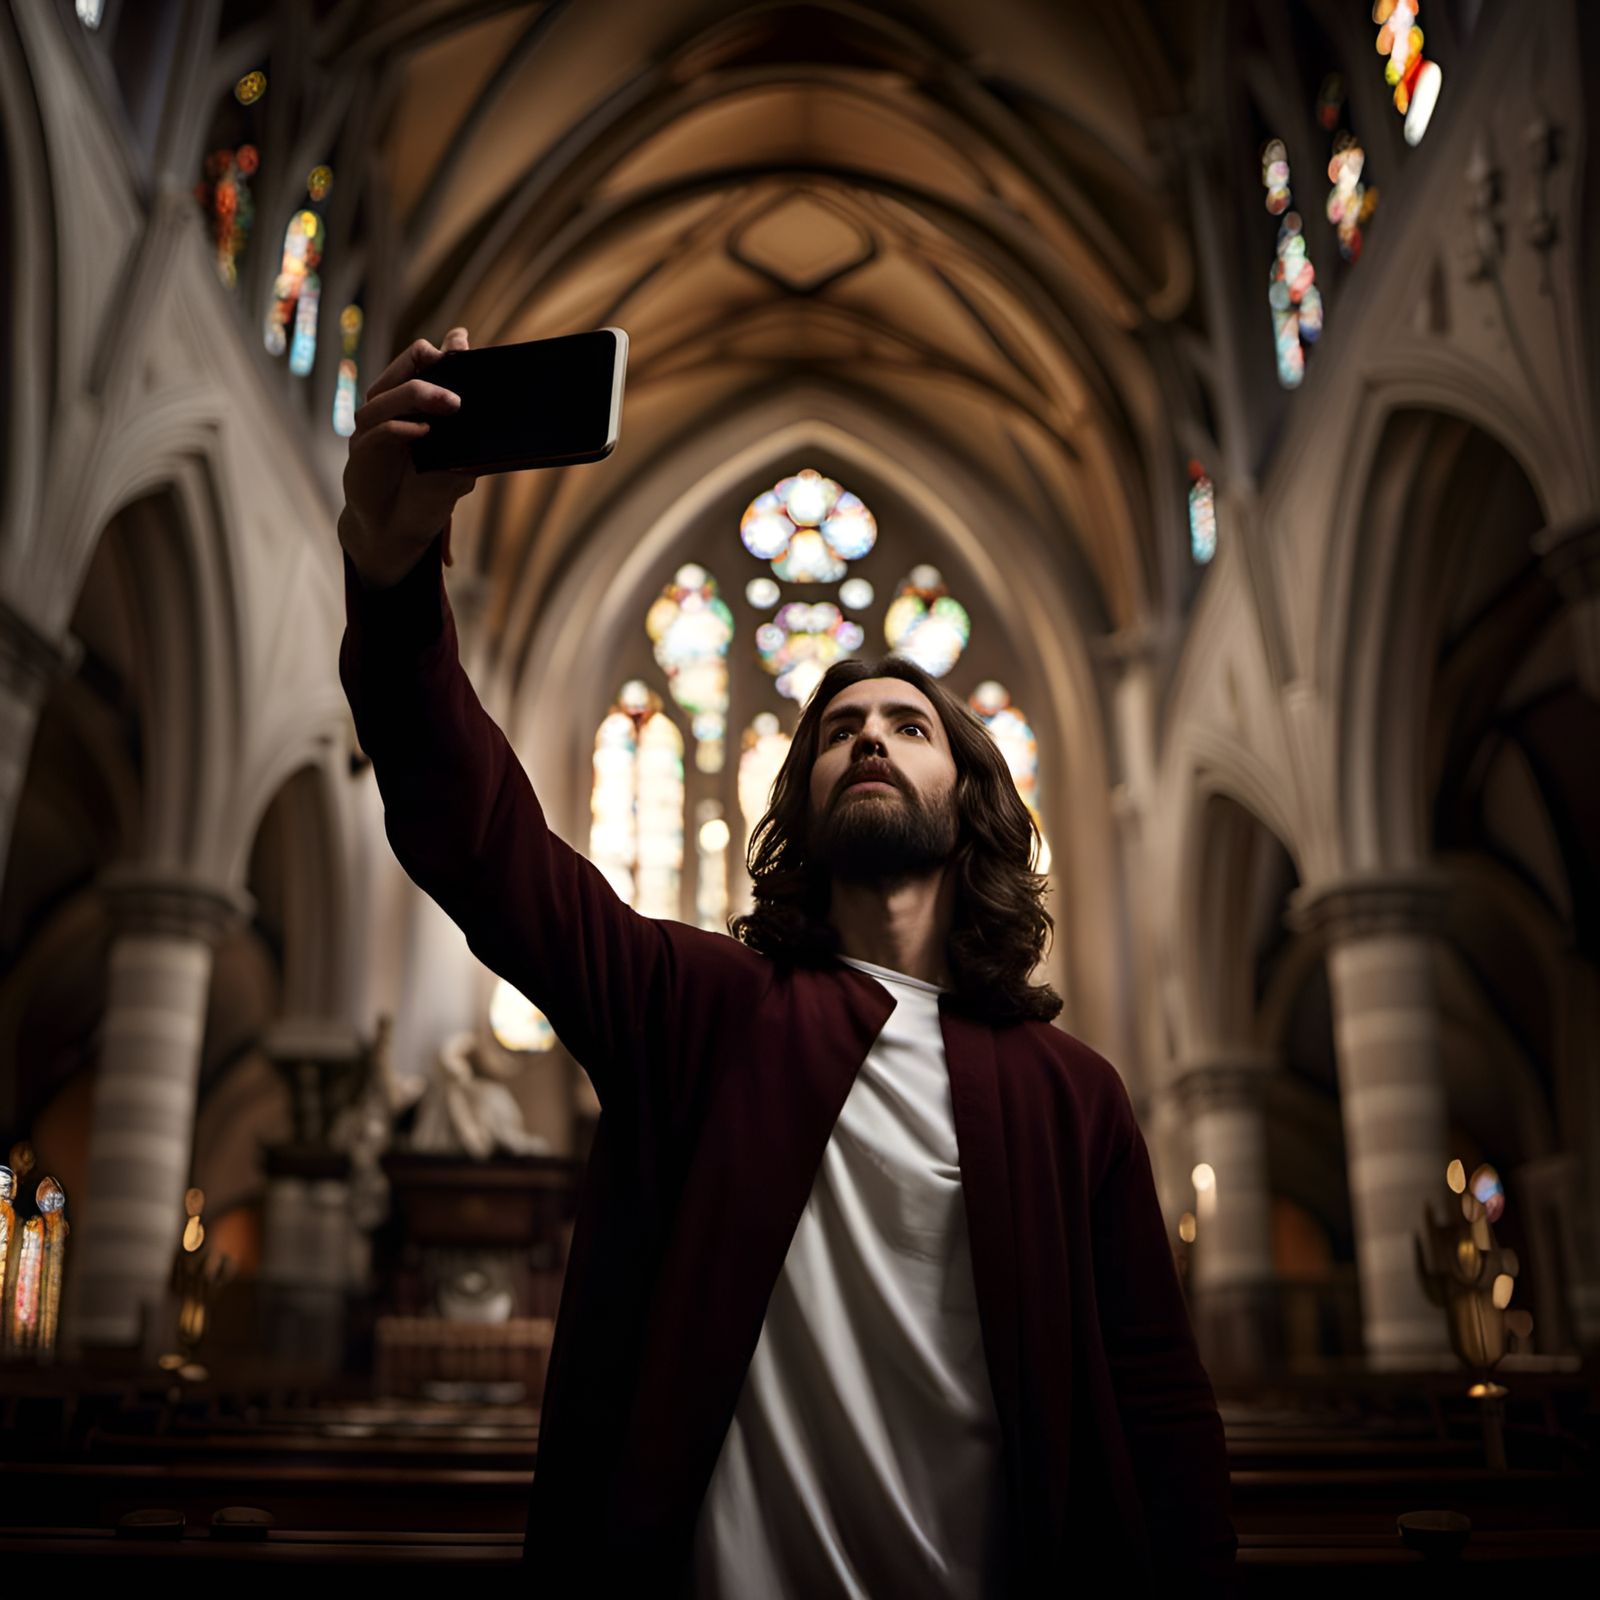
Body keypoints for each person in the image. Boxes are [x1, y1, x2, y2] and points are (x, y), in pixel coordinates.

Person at [337, 328, 1237, 1596]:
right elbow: (482, 840)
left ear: (971, 796)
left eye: (908, 726)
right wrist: (390, 569)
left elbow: (1159, 1404)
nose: (869, 738)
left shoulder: (1070, 1093)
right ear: (803, 805)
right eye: (839, 732)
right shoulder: (701, 1012)